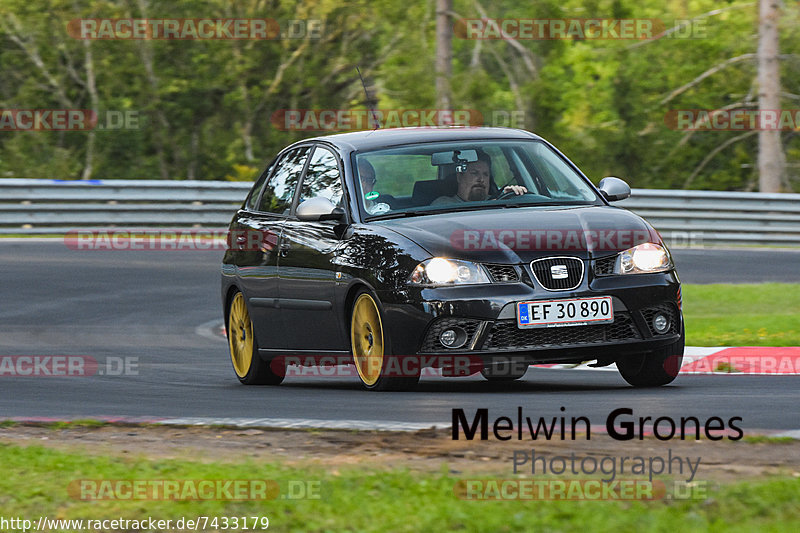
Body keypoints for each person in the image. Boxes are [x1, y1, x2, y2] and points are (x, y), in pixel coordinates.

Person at [431, 151, 527, 205]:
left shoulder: (499, 201)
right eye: (474, 173)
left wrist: (515, 197)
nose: (481, 179)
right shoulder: (443, 204)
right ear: (459, 177)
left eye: (485, 174)